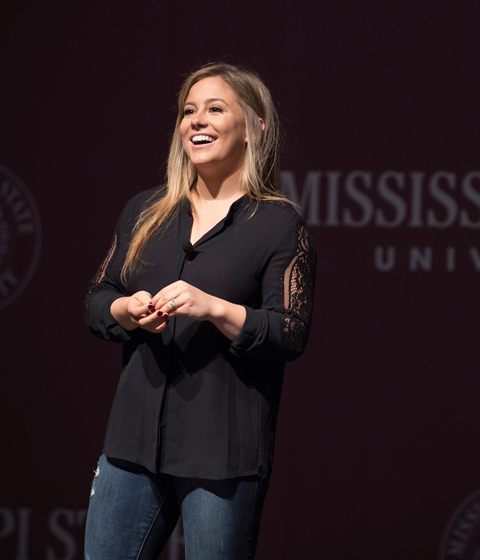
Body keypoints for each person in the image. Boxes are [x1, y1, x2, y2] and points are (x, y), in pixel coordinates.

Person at [82, 62, 316, 559]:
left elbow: (291, 332)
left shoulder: (277, 224)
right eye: (188, 111)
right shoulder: (145, 211)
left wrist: (215, 309)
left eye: (215, 109)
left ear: (256, 127)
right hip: (131, 445)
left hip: (222, 455)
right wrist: (126, 308)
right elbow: (98, 298)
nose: (197, 121)